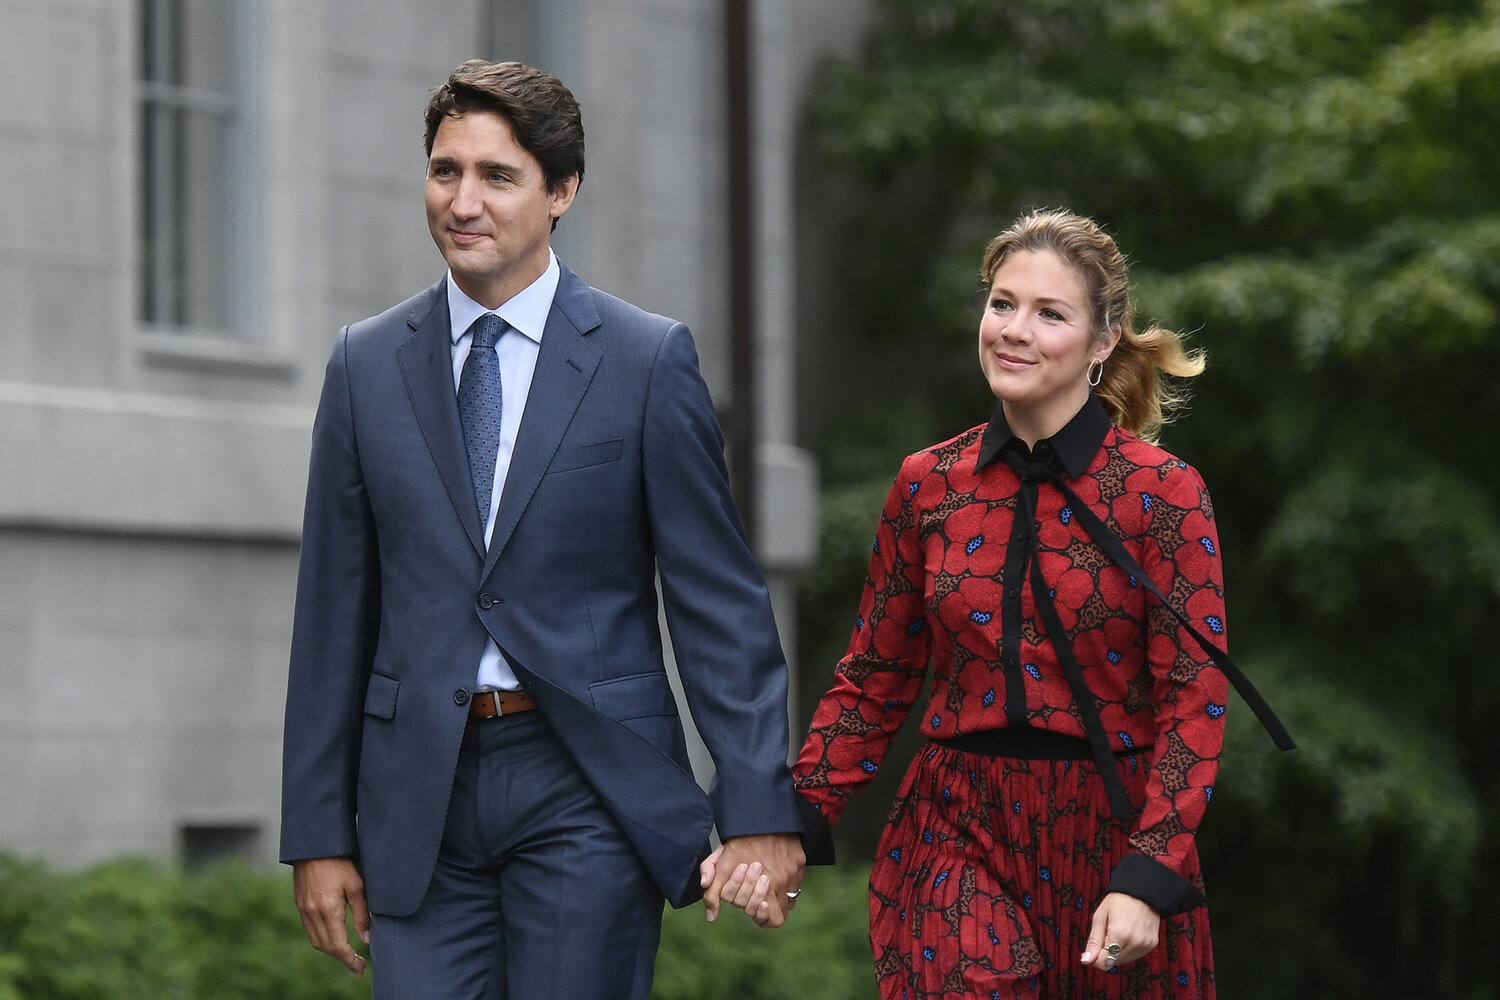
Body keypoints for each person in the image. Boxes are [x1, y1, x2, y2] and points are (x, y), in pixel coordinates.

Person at [279, 59, 805, 1000]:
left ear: (561, 191)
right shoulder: (364, 364)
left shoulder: (646, 361)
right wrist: (318, 831)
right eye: (446, 171)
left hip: (586, 785)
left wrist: (760, 802)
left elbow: (716, 600)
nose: (463, 201)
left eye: (498, 176)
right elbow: (332, 612)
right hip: (417, 801)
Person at [712, 209, 1292, 996]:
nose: (1014, 330)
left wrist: (1152, 871)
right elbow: (874, 678)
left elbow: (1194, 700)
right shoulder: (928, 483)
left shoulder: (1163, 493)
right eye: (1002, 303)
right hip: (954, 822)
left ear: (1101, 341)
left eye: (1050, 313)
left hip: (1110, 832)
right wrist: (790, 822)